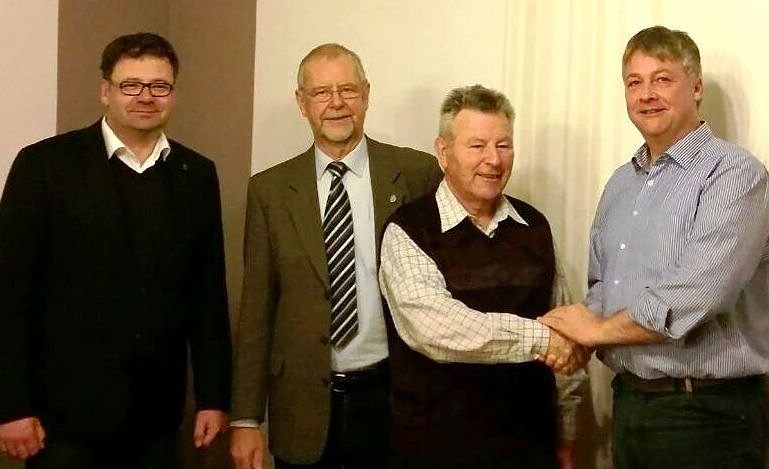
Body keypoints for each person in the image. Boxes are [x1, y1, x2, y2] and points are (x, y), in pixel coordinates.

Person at [539, 25, 769, 469]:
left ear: (696, 87)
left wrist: (593, 332)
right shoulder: (621, 183)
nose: (646, 94)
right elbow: (603, 288)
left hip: (708, 416)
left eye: (662, 79)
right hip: (630, 404)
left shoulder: (735, 175)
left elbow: (695, 296)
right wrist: (571, 334)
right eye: (634, 82)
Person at [0, 32, 232, 468]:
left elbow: (207, 296)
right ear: (105, 90)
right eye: (131, 85)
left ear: (173, 94)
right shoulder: (44, 165)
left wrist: (213, 397)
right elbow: (8, 293)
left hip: (156, 418)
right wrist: (11, 405)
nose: (145, 96)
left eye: (159, 86)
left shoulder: (197, 174)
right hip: (61, 419)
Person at [229, 43, 442, 469]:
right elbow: (257, 308)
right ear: (301, 102)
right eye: (321, 93)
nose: (336, 103)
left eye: (347, 89)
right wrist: (246, 418)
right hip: (302, 404)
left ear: (366, 94)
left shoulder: (417, 173)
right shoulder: (270, 191)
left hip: (391, 397)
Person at [378, 84, 587, 469]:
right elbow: (437, 329)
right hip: (436, 452)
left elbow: (564, 325)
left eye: (503, 145)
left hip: (530, 449)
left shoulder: (535, 226)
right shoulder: (407, 230)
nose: (493, 159)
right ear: (443, 152)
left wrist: (567, 432)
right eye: (477, 146)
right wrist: (540, 338)